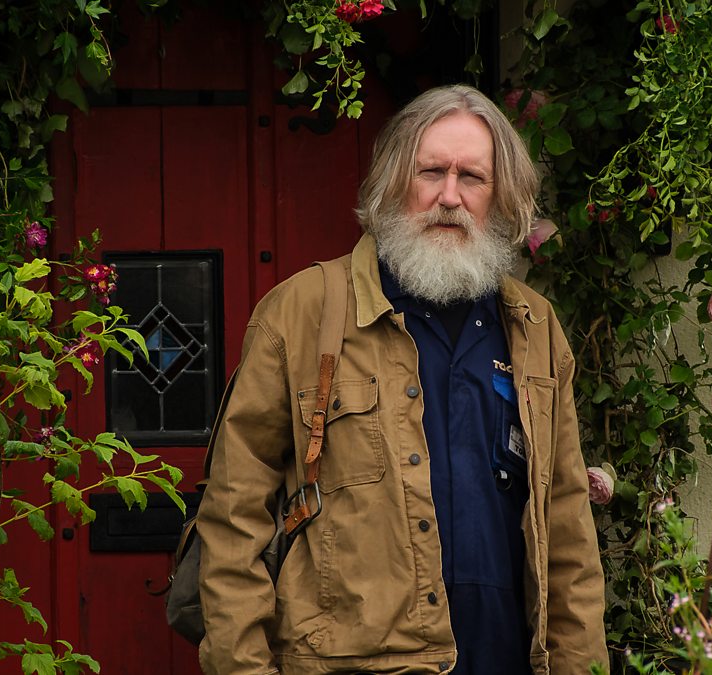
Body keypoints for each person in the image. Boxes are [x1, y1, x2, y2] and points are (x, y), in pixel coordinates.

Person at [197, 84, 608, 675]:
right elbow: (233, 519)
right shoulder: (303, 312)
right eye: (431, 172)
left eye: (473, 178)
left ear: (502, 196)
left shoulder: (534, 326)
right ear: (395, 181)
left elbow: (567, 530)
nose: (450, 196)